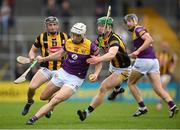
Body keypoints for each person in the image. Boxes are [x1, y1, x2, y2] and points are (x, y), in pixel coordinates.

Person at [26, 22, 102, 125]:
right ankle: (55, 98)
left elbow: (98, 62)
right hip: (62, 73)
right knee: (43, 97)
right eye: (73, 34)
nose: (75, 37)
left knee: (55, 100)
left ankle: (33, 119)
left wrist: (96, 73)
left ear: (83, 35)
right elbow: (59, 54)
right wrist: (44, 58)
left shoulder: (90, 46)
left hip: (75, 79)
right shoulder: (69, 42)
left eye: (78, 35)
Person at [123, 13, 178, 118]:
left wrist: (138, 51)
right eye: (127, 22)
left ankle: (142, 107)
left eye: (129, 21)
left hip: (144, 62)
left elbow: (150, 39)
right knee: (158, 88)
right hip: (153, 61)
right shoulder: (138, 31)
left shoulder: (138, 29)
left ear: (135, 20)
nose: (127, 24)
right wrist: (132, 54)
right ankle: (172, 105)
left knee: (131, 83)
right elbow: (145, 48)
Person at [77, 16, 131, 121]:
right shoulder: (101, 38)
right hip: (113, 65)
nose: (100, 28)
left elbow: (111, 55)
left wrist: (98, 59)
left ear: (110, 28)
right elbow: (92, 46)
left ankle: (86, 112)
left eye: (102, 26)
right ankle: (117, 89)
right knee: (110, 83)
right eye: (99, 25)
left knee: (103, 87)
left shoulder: (114, 39)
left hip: (123, 69)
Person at [21, 16, 69, 118]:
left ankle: (50, 107)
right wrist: (32, 57)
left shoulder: (65, 37)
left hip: (61, 70)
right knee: (31, 87)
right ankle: (30, 102)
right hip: (46, 68)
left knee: (55, 93)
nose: (52, 27)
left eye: (54, 24)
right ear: (46, 26)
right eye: (50, 25)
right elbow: (32, 50)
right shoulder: (41, 37)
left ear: (58, 25)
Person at [156, 41, 178, 110]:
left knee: (161, 87)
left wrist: (171, 70)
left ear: (168, 47)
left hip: (167, 74)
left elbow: (174, 63)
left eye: (165, 46)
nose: (164, 47)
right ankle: (171, 104)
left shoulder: (171, 55)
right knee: (164, 89)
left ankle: (159, 103)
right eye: (163, 46)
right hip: (159, 74)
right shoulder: (158, 54)